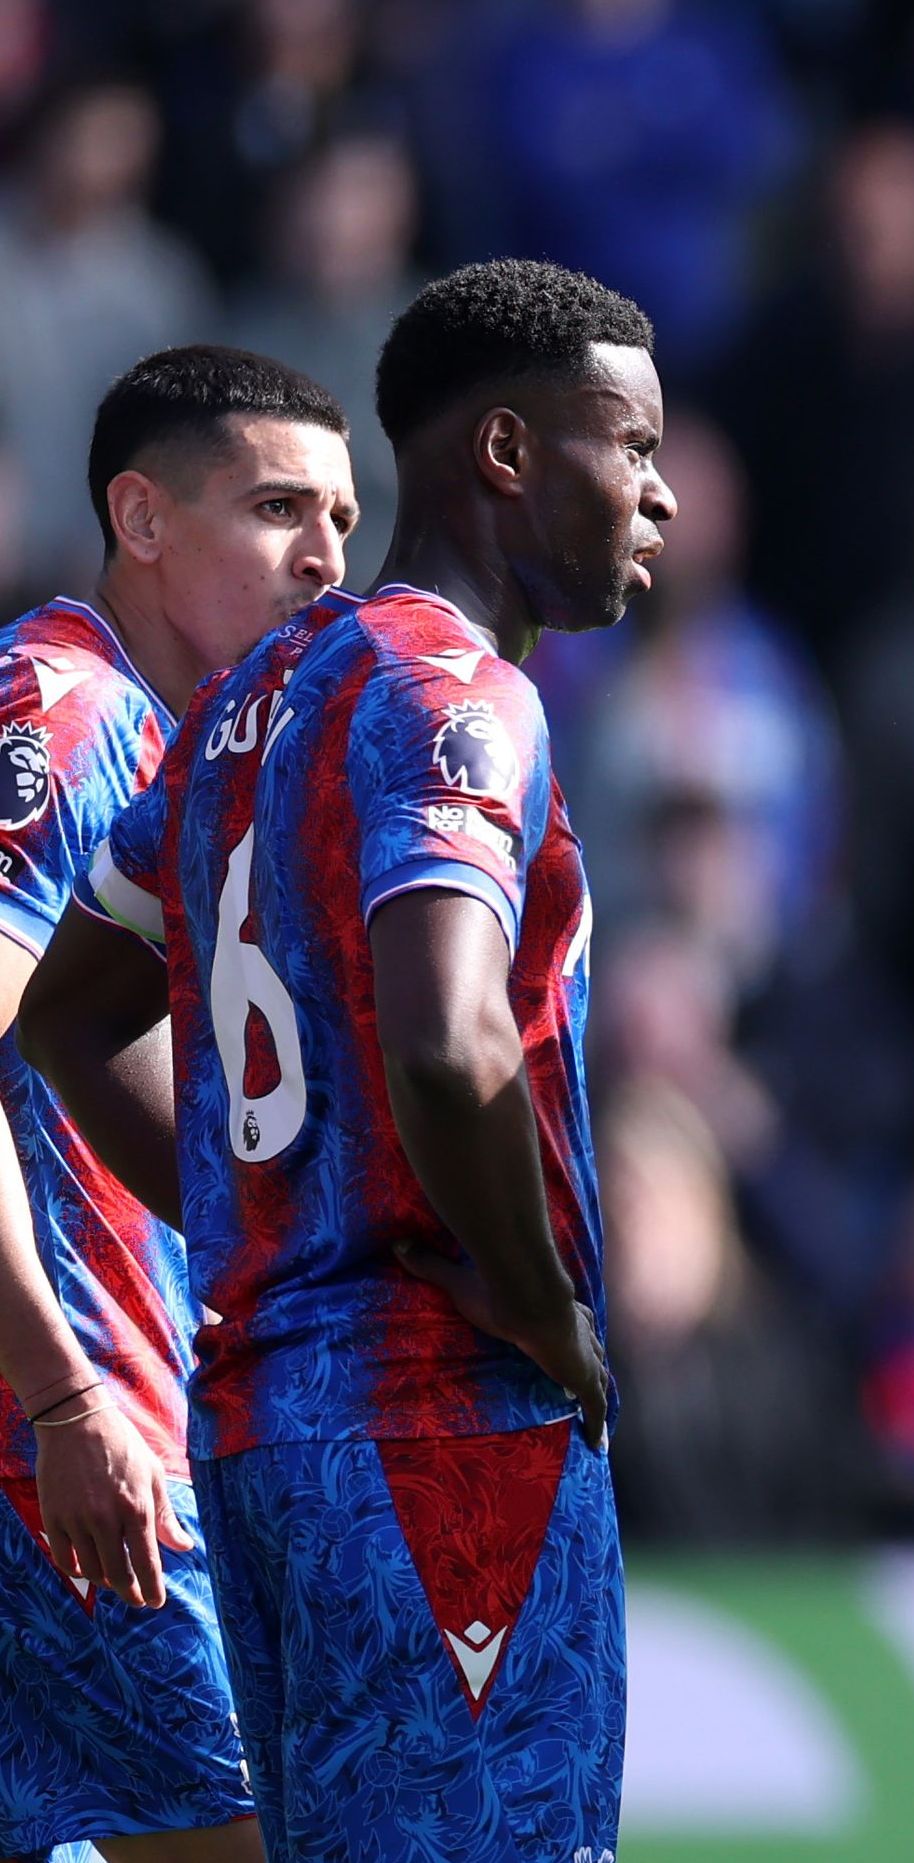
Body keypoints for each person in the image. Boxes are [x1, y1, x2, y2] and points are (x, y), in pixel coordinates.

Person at [29, 259, 662, 1861]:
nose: (657, 498)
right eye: (630, 446)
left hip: (252, 1424)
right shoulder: (455, 689)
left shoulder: (244, 700)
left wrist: (270, 1212)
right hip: (439, 1418)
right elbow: (450, 1044)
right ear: (510, 455)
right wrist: (537, 1306)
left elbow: (69, 1013)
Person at [0, 346, 357, 1863]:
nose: (326, 556)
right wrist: (65, 1397)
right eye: (279, 507)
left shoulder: (183, 740)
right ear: (141, 519)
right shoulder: (64, 718)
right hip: (77, 1450)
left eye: (343, 515)